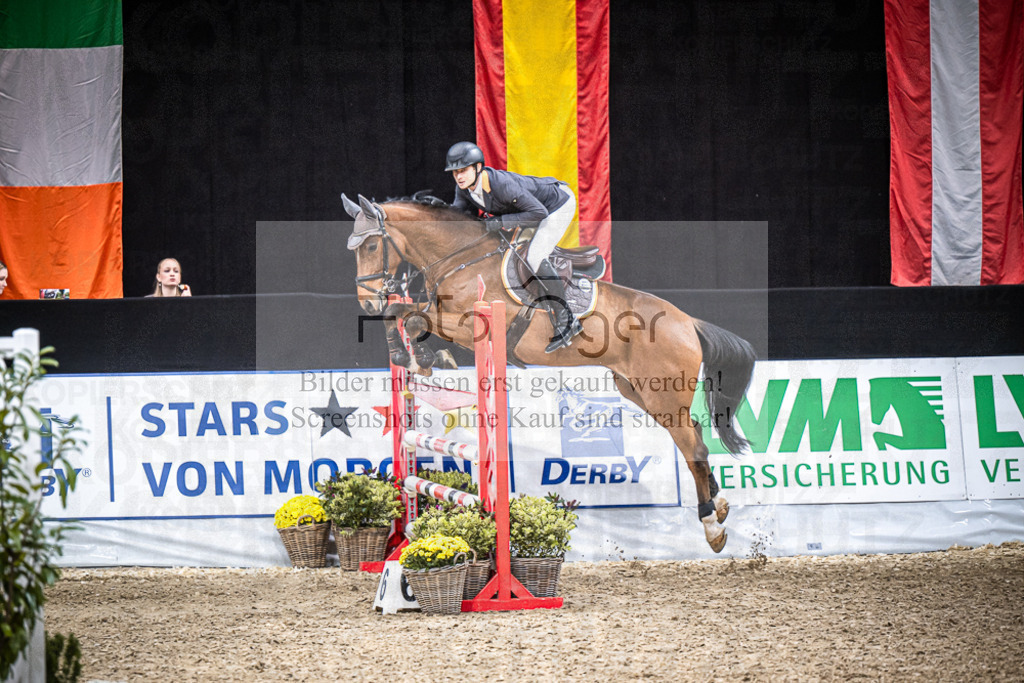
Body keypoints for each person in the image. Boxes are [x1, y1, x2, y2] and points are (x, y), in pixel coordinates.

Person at [445, 141, 582, 352]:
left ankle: (567, 318)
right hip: (532, 210)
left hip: (556, 205)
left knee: (534, 258)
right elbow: (457, 218)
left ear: (478, 167)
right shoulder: (464, 189)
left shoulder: (502, 185)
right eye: (455, 173)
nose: (459, 177)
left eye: (463, 171)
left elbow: (539, 213)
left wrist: (501, 222)